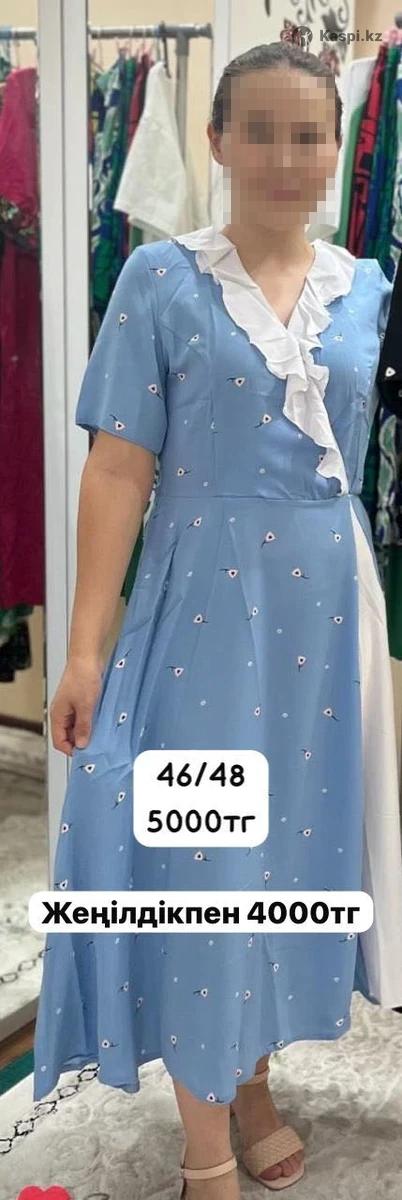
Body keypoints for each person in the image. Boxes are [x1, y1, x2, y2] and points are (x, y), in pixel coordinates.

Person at [33, 41, 402, 1198]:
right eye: (263, 133)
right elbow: (116, 470)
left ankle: (246, 1077)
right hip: (202, 617)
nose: (288, 157)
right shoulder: (161, 280)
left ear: (336, 150)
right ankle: (205, 1154)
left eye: (310, 135)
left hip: (329, 623)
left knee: (289, 854)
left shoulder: (370, 287)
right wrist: (84, 649)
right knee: (204, 853)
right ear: (218, 142)